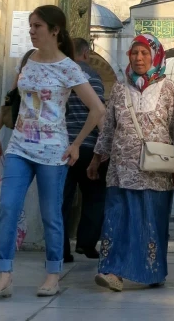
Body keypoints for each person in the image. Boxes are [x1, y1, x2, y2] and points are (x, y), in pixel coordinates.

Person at [0, 6, 105, 301]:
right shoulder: (28, 60)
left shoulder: (69, 68)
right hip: (19, 147)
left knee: (51, 215)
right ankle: (4, 275)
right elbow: (11, 100)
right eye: (29, 25)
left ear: (54, 30)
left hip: (53, 152)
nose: (31, 30)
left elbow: (98, 109)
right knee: (8, 206)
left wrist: (75, 144)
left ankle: (52, 274)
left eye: (37, 26)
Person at [87, 33, 174, 292]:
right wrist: (97, 159)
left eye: (144, 53)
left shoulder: (168, 89)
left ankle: (153, 272)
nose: (139, 58)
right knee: (117, 218)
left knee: (151, 221)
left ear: (155, 55)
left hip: (156, 169)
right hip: (121, 168)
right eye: (135, 53)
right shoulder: (120, 88)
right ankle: (113, 272)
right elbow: (108, 127)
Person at [62, 37, 107, 263]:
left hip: (63, 147)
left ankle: (61, 249)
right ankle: (86, 243)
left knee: (63, 199)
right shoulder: (93, 77)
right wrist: (105, 147)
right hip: (89, 147)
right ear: (86, 54)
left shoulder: (61, 73)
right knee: (96, 196)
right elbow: (98, 111)